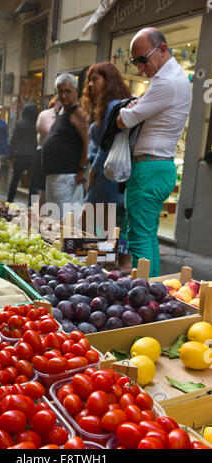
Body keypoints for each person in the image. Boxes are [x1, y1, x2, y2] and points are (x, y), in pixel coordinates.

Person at [116, 27, 192, 277]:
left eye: (142, 59)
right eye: (134, 61)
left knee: (139, 238)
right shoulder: (172, 78)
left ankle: (144, 295)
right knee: (146, 235)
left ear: (162, 49)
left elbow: (125, 119)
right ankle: (152, 290)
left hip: (149, 168)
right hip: (156, 167)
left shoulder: (166, 82)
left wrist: (124, 112)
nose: (139, 67)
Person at [80, 62, 132, 272]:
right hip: (110, 176)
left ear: (108, 81)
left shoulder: (113, 106)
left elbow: (107, 143)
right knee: (105, 229)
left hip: (105, 176)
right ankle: (106, 270)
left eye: (96, 79)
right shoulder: (109, 106)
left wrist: (92, 171)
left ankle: (98, 273)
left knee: (91, 226)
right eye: (89, 80)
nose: (91, 85)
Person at [41, 73, 89, 220]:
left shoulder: (77, 112)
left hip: (67, 176)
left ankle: (66, 243)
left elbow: (87, 141)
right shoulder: (62, 111)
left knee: (66, 220)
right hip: (54, 174)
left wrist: (82, 169)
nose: (63, 95)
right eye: (60, 91)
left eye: (67, 91)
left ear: (75, 92)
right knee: (54, 218)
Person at [29, 95, 60, 207]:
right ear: (56, 101)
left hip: (62, 160)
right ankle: (38, 221)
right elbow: (51, 135)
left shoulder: (71, 116)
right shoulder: (46, 115)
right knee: (43, 194)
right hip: (44, 156)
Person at [7, 103, 38, 205]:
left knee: (15, 179)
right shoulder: (37, 124)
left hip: (20, 155)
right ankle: (32, 205)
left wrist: (10, 156)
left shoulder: (20, 124)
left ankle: (10, 201)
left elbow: (14, 140)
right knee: (32, 182)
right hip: (33, 155)